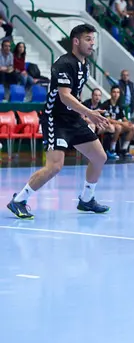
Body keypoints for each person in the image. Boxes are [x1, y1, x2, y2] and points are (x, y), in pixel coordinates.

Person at [7, 24, 111, 219]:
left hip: (72, 118)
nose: (92, 44)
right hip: (55, 120)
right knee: (55, 166)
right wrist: (89, 111)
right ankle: (19, 200)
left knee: (99, 157)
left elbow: (74, 97)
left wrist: (86, 115)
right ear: (76, 41)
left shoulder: (84, 66)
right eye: (88, 39)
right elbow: (64, 96)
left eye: (93, 40)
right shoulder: (63, 64)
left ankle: (87, 199)